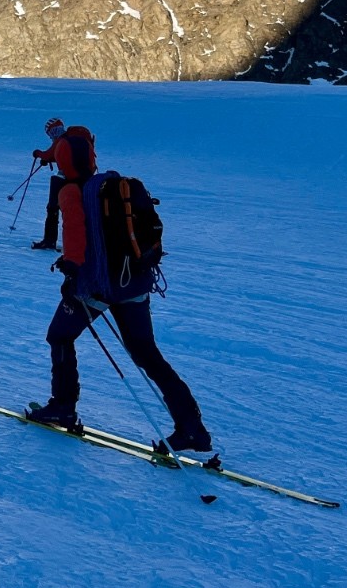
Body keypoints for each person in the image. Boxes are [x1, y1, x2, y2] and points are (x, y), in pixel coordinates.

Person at [25, 139, 211, 454]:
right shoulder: (110, 185)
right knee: (147, 354)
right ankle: (192, 429)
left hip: (99, 286)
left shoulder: (71, 191)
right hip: (135, 283)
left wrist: (71, 273)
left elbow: (74, 243)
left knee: (59, 335)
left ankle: (62, 407)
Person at [29, 118, 94, 250]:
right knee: (85, 209)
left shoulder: (60, 140)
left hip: (65, 180)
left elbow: (48, 154)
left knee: (53, 208)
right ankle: (89, 242)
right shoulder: (78, 138)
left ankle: (49, 240)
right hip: (86, 179)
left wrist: (37, 154)